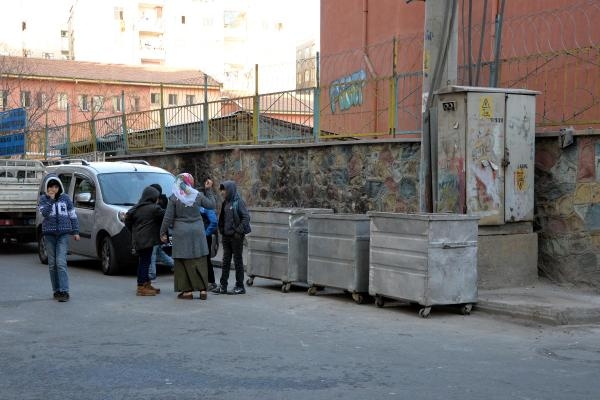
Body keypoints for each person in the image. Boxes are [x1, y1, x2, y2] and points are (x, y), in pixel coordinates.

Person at [160, 173, 216, 300]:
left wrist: (162, 232)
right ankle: (202, 290)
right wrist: (208, 190)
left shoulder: (174, 198)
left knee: (182, 261)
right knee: (200, 259)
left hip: (181, 232)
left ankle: (187, 292)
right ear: (191, 182)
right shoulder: (197, 195)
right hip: (198, 231)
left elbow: (168, 218)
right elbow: (211, 205)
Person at [38, 174, 80, 302]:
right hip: (49, 235)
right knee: (52, 264)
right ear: (47, 188)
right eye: (51, 187)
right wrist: (50, 200)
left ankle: (64, 291)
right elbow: (44, 213)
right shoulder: (43, 199)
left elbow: (73, 215)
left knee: (61, 263)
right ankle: (56, 290)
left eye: (56, 187)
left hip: (63, 234)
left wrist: (76, 231)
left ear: (60, 187)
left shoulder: (65, 199)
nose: (53, 189)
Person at [124, 185, 165, 296]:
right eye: (157, 197)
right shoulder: (154, 208)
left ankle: (146, 283)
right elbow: (165, 216)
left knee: (143, 261)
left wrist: (134, 231)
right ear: (152, 197)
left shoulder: (137, 207)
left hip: (139, 239)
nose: (158, 199)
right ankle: (141, 286)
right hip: (147, 240)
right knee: (145, 263)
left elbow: (127, 220)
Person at [213, 180, 251, 295]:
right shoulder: (226, 202)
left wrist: (238, 232)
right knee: (225, 261)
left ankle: (240, 286)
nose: (222, 192)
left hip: (236, 237)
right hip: (226, 236)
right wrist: (222, 230)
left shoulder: (238, 202)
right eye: (222, 190)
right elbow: (223, 218)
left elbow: (246, 218)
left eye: (224, 190)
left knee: (238, 261)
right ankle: (223, 286)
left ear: (230, 190)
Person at [148, 183, 174, 281]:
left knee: (153, 253)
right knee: (159, 253)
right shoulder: (162, 200)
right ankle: (175, 265)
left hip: (156, 231)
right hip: (159, 231)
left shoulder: (159, 202)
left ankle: (152, 274)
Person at [200, 202, 218, 291]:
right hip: (200, 236)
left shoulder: (206, 206)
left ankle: (211, 281)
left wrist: (206, 234)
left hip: (205, 236)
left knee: (206, 259)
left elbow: (214, 222)